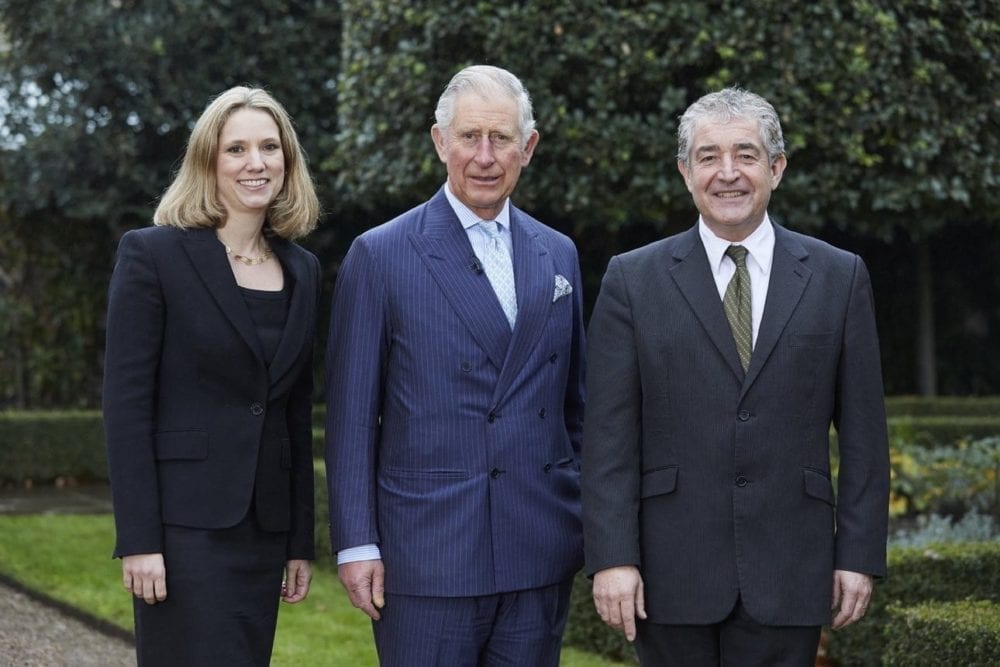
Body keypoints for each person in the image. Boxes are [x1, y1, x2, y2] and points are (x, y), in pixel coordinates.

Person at [581, 87, 890, 666]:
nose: (728, 174)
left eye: (746, 155)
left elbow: (867, 437)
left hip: (790, 569)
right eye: (708, 156)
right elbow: (607, 439)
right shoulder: (632, 280)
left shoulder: (838, 277)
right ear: (684, 171)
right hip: (668, 575)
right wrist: (612, 558)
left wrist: (858, 554)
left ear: (776, 167)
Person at [324, 64, 586, 666]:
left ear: (529, 147)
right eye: (469, 137)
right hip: (427, 554)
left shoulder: (559, 254)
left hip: (536, 546)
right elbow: (351, 418)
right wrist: (356, 544)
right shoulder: (380, 254)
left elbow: (578, 407)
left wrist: (579, 516)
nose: (486, 156)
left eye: (501, 138)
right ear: (441, 142)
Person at [102, 86, 321, 666]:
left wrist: (301, 540)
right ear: (208, 162)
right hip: (183, 533)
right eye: (237, 149)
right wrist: (139, 541)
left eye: (270, 147)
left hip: (263, 533)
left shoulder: (303, 269)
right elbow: (126, 409)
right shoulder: (153, 256)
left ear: (287, 161)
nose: (256, 163)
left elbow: (294, 417)